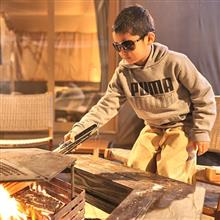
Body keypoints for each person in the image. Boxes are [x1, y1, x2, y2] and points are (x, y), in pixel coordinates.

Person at [64, 5, 216, 183]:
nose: (122, 52)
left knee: (170, 172)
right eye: (117, 46)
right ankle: (142, 208)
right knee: (135, 169)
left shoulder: (176, 62)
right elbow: (106, 105)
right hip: (152, 127)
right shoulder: (123, 73)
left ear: (149, 38)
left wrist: (201, 131)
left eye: (128, 44)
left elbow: (203, 95)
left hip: (181, 127)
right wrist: (80, 129)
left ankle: (173, 209)